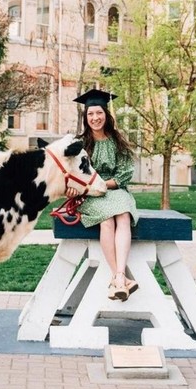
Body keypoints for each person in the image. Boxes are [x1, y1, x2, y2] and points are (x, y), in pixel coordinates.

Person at [70, 88, 139, 301]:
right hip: (89, 195)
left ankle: (118, 278)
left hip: (115, 190)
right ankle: (120, 278)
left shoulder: (117, 141)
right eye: (90, 114)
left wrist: (101, 184)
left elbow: (124, 174)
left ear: (106, 115)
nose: (95, 118)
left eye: (99, 113)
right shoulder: (79, 144)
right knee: (107, 220)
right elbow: (71, 173)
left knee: (123, 215)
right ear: (85, 117)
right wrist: (76, 187)